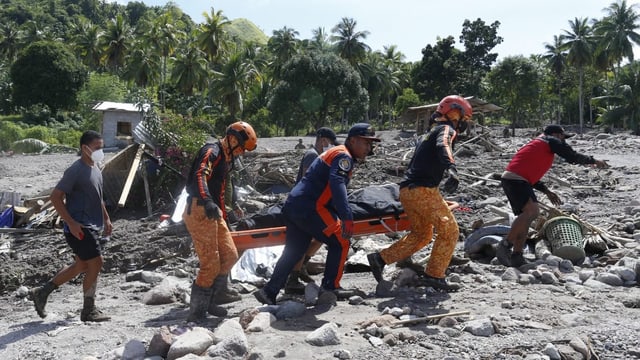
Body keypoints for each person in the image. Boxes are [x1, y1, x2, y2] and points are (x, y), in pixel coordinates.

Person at [254, 123, 381, 305]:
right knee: (341, 240)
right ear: (353, 140)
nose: (369, 148)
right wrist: (346, 217)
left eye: (371, 145)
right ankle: (330, 286)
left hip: (294, 205)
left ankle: (269, 291)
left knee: (295, 249)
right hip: (311, 207)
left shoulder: (337, 152)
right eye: (366, 143)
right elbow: (337, 184)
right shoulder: (344, 156)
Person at [367, 95, 473, 292]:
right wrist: (451, 168)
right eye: (462, 118)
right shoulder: (445, 129)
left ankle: (380, 258)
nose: (462, 124)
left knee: (422, 235)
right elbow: (444, 145)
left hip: (408, 191)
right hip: (423, 190)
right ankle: (434, 275)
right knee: (450, 230)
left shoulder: (429, 133)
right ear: (453, 112)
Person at [496, 124, 609, 267]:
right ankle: (505, 245)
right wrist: (594, 161)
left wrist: (547, 191)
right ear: (557, 135)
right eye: (563, 138)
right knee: (532, 212)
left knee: (527, 217)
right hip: (516, 180)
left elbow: (530, 173)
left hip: (516, 179)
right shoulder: (550, 141)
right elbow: (571, 156)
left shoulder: (539, 145)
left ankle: (517, 255)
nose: (564, 141)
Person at [29, 130, 112, 322]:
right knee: (96, 262)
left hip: (92, 225)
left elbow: (98, 198)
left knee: (82, 264)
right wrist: (71, 223)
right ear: (85, 148)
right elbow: (55, 197)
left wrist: (106, 219)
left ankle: (42, 293)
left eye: (102, 147)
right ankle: (88, 310)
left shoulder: (96, 169)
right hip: (79, 228)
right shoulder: (76, 170)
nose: (101, 151)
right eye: (97, 147)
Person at [183, 121, 258, 322]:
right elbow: (200, 175)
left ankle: (212, 299)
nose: (241, 153)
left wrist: (227, 214)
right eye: (241, 148)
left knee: (230, 254)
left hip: (213, 212)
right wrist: (207, 201)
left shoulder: (225, 157)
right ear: (233, 139)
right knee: (211, 263)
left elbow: (221, 190)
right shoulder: (212, 151)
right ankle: (197, 313)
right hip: (200, 209)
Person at [285, 127, 339, 294]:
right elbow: (309, 181)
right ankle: (293, 279)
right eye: (330, 144)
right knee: (305, 240)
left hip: (311, 204)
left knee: (321, 237)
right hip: (304, 205)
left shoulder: (318, 156)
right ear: (323, 141)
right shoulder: (312, 155)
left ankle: (301, 268)